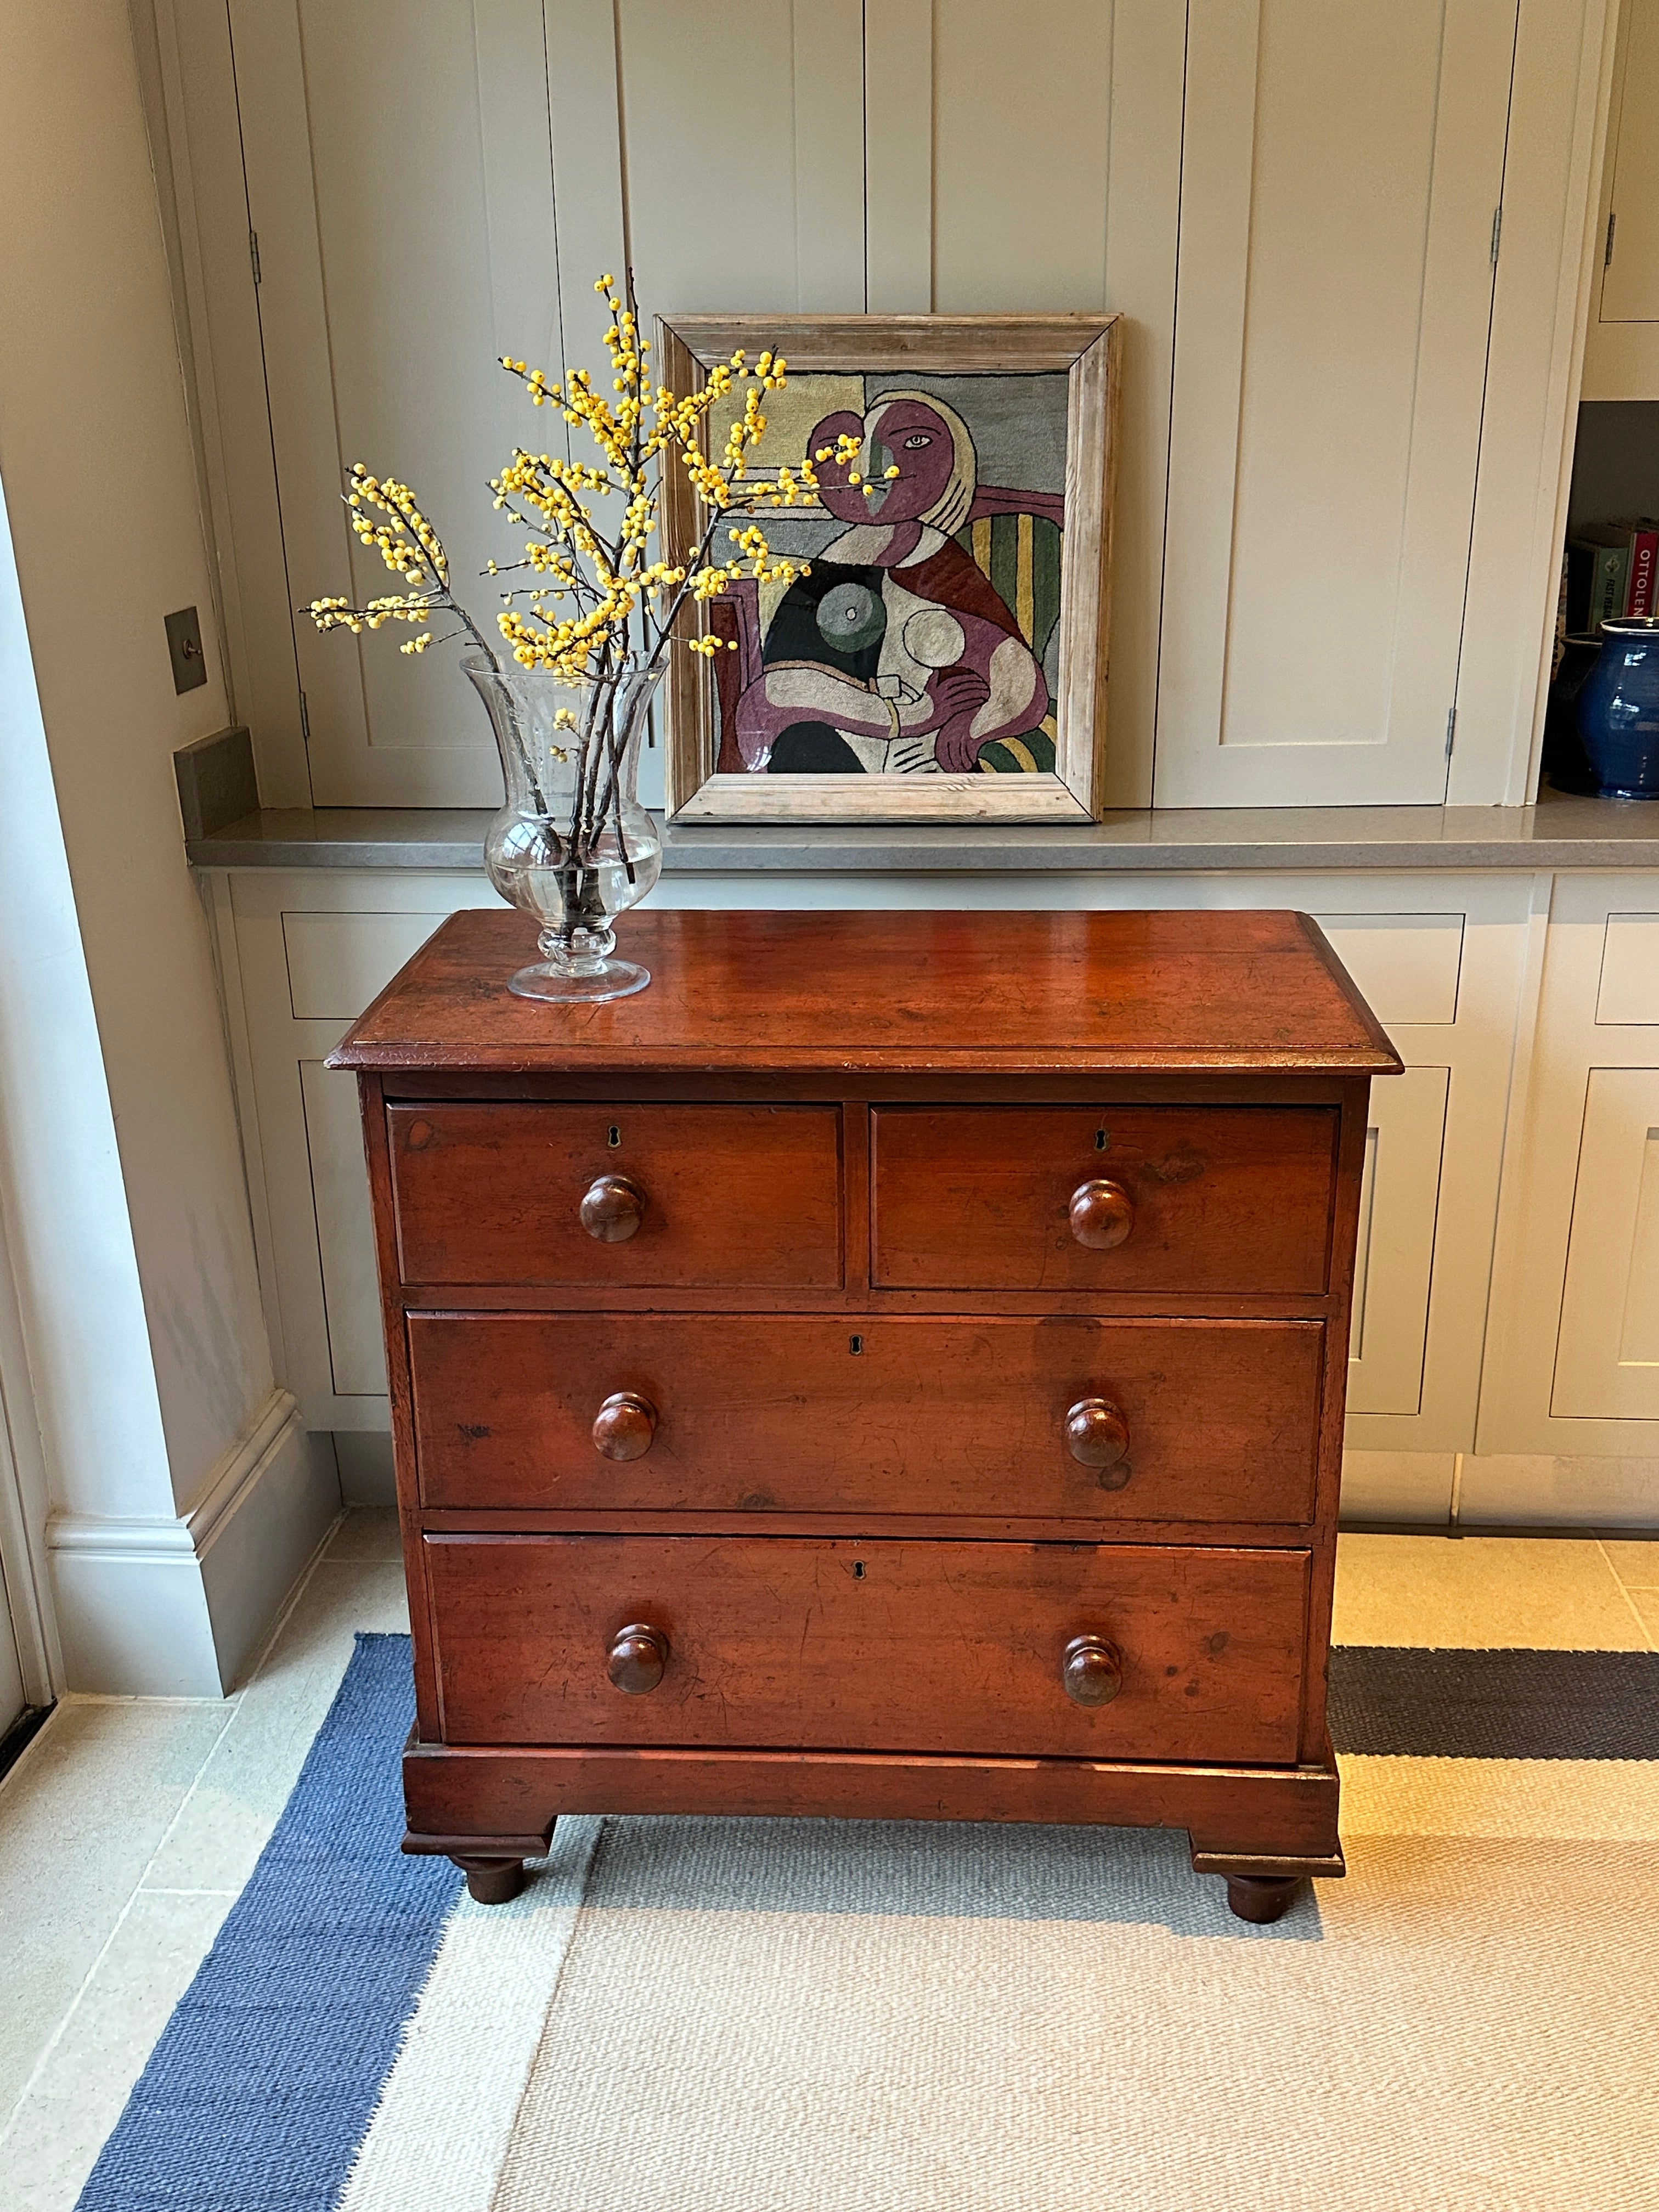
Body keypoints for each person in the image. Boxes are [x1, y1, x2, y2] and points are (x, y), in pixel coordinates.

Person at [733, 392, 1049, 774]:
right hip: (838, 764)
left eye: (914, 442)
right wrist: (910, 715)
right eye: (842, 449)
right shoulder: (830, 568)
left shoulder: (941, 563)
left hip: (929, 768)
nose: (872, 466)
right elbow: (773, 695)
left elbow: (1018, 680)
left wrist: (975, 728)